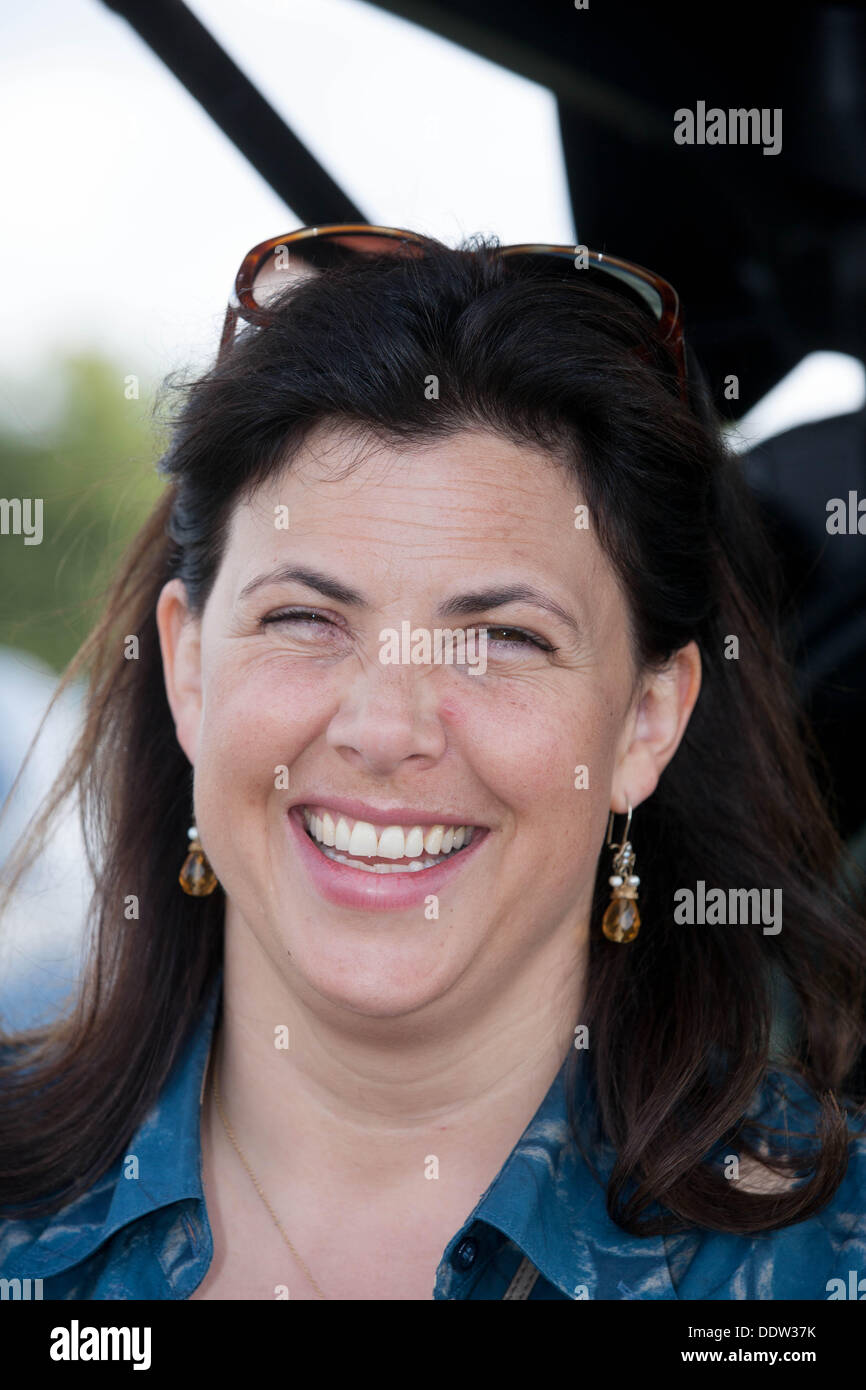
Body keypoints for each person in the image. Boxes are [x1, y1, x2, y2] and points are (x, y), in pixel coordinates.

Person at [1, 226, 864, 1301]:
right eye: (308, 616)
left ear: (645, 719)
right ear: (187, 668)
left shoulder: (827, 1262)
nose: (385, 726)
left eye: (501, 637)